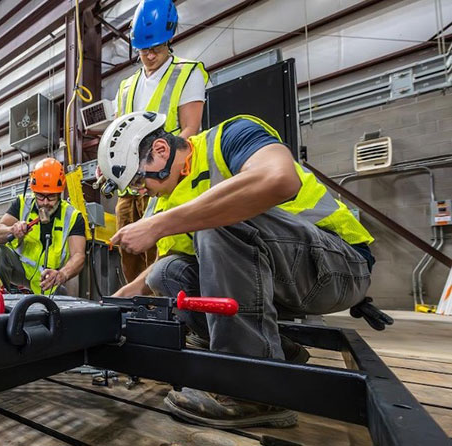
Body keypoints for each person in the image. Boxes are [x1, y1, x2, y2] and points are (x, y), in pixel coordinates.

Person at [98, 111, 375, 428]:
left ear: (160, 151)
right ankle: (275, 352)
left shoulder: (230, 136)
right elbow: (154, 277)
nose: (140, 192)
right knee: (167, 272)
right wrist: (109, 307)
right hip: (283, 279)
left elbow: (280, 178)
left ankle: (253, 389)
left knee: (218, 220)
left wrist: (159, 225)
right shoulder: (165, 199)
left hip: (338, 267)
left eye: (138, 180)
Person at [112, 0, 209, 285]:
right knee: (128, 248)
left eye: (155, 47)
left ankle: (165, 315)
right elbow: (118, 130)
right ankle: (136, 308)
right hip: (131, 184)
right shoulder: (126, 86)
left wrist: (160, 168)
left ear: (169, 38)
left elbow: (190, 128)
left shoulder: (187, 73)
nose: (149, 55)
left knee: (160, 253)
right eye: (143, 48)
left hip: (164, 182)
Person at [0, 158, 86, 295]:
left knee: (61, 298)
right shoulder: (22, 203)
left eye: (51, 197)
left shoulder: (73, 217)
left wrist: (62, 275)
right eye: (40, 197)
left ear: (60, 193)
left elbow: (78, 255)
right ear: (34, 191)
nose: (45, 203)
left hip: (49, 278)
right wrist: (11, 230)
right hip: (20, 270)